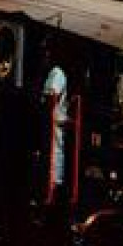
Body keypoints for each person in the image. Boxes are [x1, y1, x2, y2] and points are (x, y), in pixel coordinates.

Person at [43, 64, 69, 195]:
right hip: (53, 117)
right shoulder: (52, 73)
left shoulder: (57, 72)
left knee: (56, 148)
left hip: (56, 117)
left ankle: (55, 181)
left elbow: (53, 94)